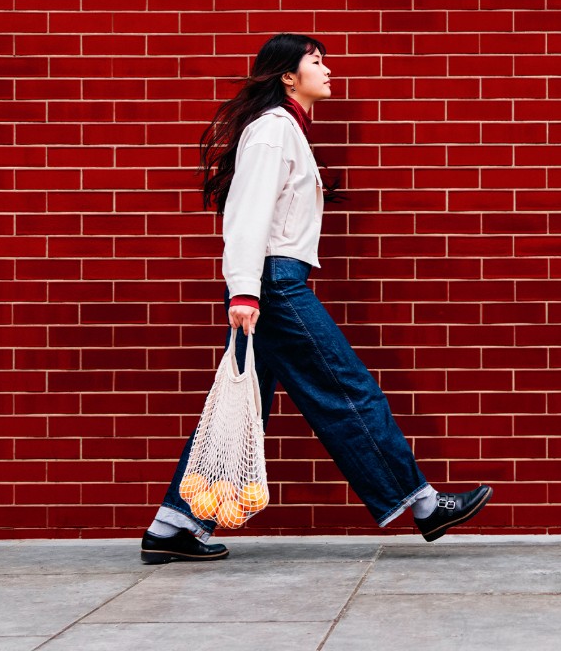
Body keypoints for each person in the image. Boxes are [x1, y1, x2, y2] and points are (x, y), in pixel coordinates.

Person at [140, 33, 491, 564]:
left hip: (274, 283)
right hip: (274, 286)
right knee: (349, 389)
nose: (328, 70)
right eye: (317, 62)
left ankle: (174, 526)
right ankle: (422, 503)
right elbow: (246, 215)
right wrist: (244, 291)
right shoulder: (273, 131)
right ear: (288, 75)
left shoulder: (289, 133)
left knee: (243, 411)